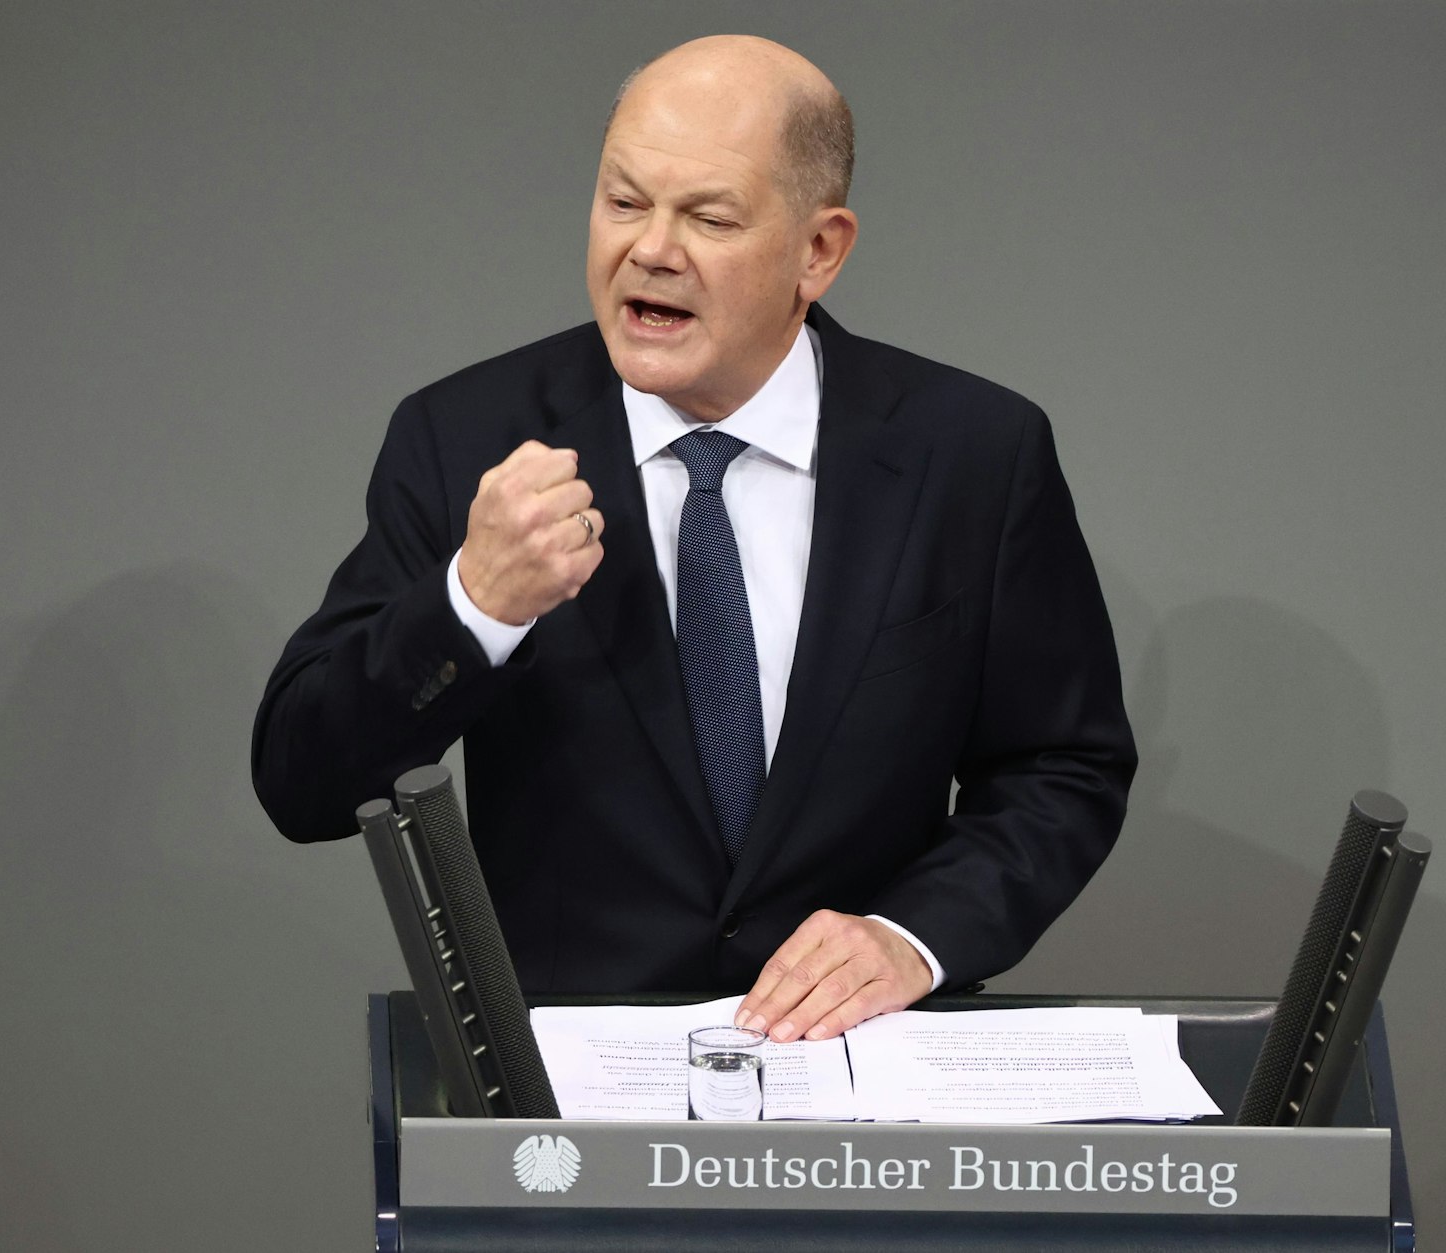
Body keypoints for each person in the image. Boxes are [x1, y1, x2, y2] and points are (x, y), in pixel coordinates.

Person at [252, 35, 1135, 1045]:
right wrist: (471, 603)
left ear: (819, 250)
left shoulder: (973, 451)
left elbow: (1060, 765)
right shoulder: (463, 440)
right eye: (622, 201)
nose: (649, 249)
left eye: (706, 216)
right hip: (569, 1099)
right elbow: (302, 780)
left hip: (865, 1083)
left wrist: (911, 935)